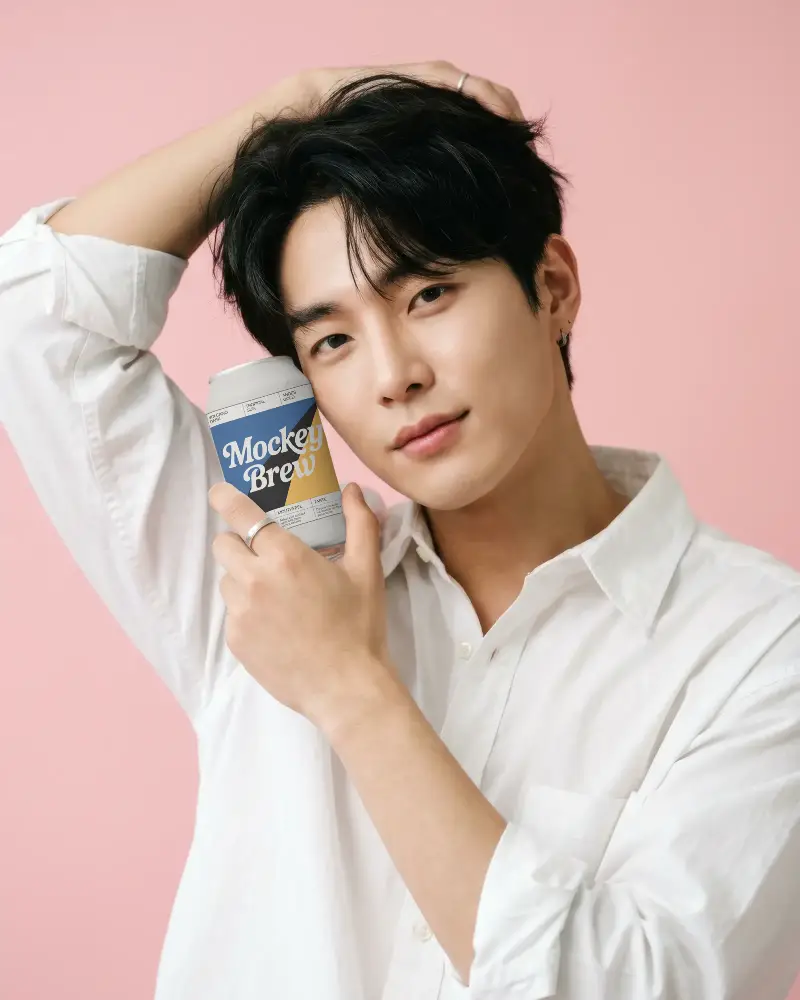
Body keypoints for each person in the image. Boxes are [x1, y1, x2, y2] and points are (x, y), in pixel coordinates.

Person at [1, 60, 798, 1000]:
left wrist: (347, 687)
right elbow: (40, 322)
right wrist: (297, 108)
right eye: (332, 339)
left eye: (428, 295)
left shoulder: (758, 649)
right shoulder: (273, 579)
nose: (393, 375)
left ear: (552, 286)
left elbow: (617, 986)